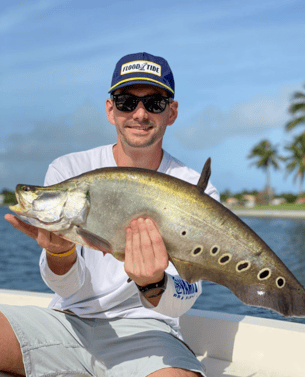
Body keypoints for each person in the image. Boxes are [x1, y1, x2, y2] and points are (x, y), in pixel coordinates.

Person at [1, 52, 219, 377]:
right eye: (126, 101)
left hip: (149, 334)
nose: (140, 113)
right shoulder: (68, 170)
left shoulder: (195, 191)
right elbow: (66, 290)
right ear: (110, 109)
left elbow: (185, 299)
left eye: (155, 103)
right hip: (67, 321)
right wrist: (59, 253)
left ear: (171, 112)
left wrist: (153, 284)